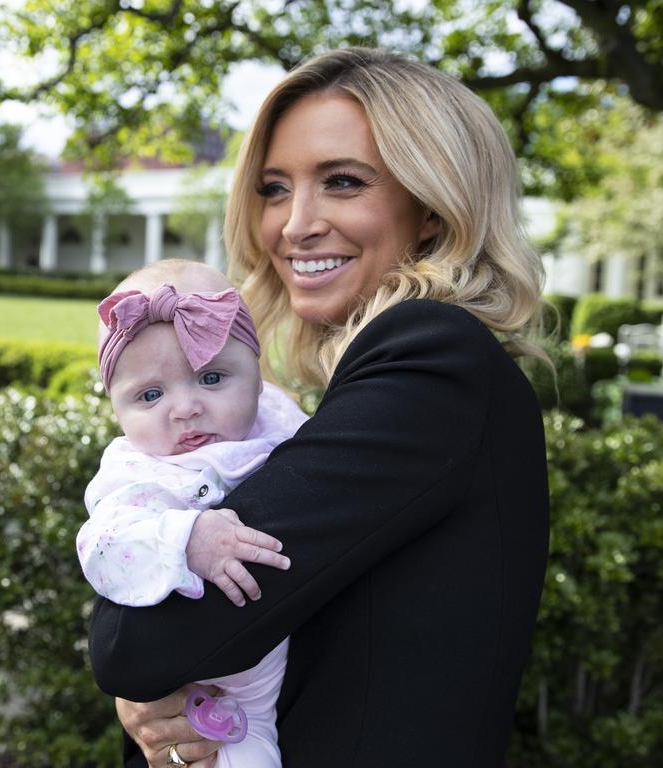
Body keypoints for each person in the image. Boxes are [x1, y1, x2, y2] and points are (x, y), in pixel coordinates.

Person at [87, 47, 550, 768]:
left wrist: (148, 675)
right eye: (274, 188)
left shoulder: (430, 357)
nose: (294, 224)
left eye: (341, 182)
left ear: (432, 208)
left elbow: (135, 645)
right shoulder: (358, 382)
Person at [79, 259, 309, 767]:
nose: (184, 409)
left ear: (255, 372)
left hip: (300, 653)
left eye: (211, 377)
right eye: (151, 395)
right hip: (220, 690)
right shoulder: (137, 473)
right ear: (115, 409)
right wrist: (188, 538)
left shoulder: (277, 419)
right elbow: (105, 546)